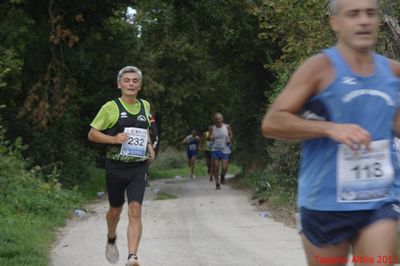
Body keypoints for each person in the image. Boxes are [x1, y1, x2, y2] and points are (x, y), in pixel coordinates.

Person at [261, 0, 400, 265]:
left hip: (380, 200)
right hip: (324, 204)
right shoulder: (319, 68)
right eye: (353, 14)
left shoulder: (394, 73)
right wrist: (330, 128)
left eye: (370, 13)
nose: (363, 21)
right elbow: (272, 122)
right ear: (334, 22)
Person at [88, 66, 155, 266]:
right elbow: (92, 134)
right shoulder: (110, 107)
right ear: (119, 84)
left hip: (138, 167)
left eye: (135, 81)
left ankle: (132, 257)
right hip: (116, 167)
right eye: (127, 80)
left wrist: (149, 146)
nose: (131, 84)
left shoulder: (145, 105)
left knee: (135, 209)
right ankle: (111, 237)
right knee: (115, 210)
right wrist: (114, 138)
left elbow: (145, 130)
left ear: (140, 85)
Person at [211, 112, 233, 189]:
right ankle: (217, 183)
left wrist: (229, 139)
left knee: (224, 168)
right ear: (215, 120)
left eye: (220, 118)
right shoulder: (212, 128)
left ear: (222, 119)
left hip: (225, 149)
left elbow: (231, 134)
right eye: (217, 119)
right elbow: (210, 137)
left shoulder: (227, 127)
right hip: (215, 149)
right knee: (216, 167)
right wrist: (211, 137)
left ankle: (222, 175)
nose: (218, 120)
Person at [145, 111, 159, 187]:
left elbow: (154, 127)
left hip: (146, 139)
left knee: (147, 158)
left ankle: (145, 178)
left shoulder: (147, 113)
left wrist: (156, 140)